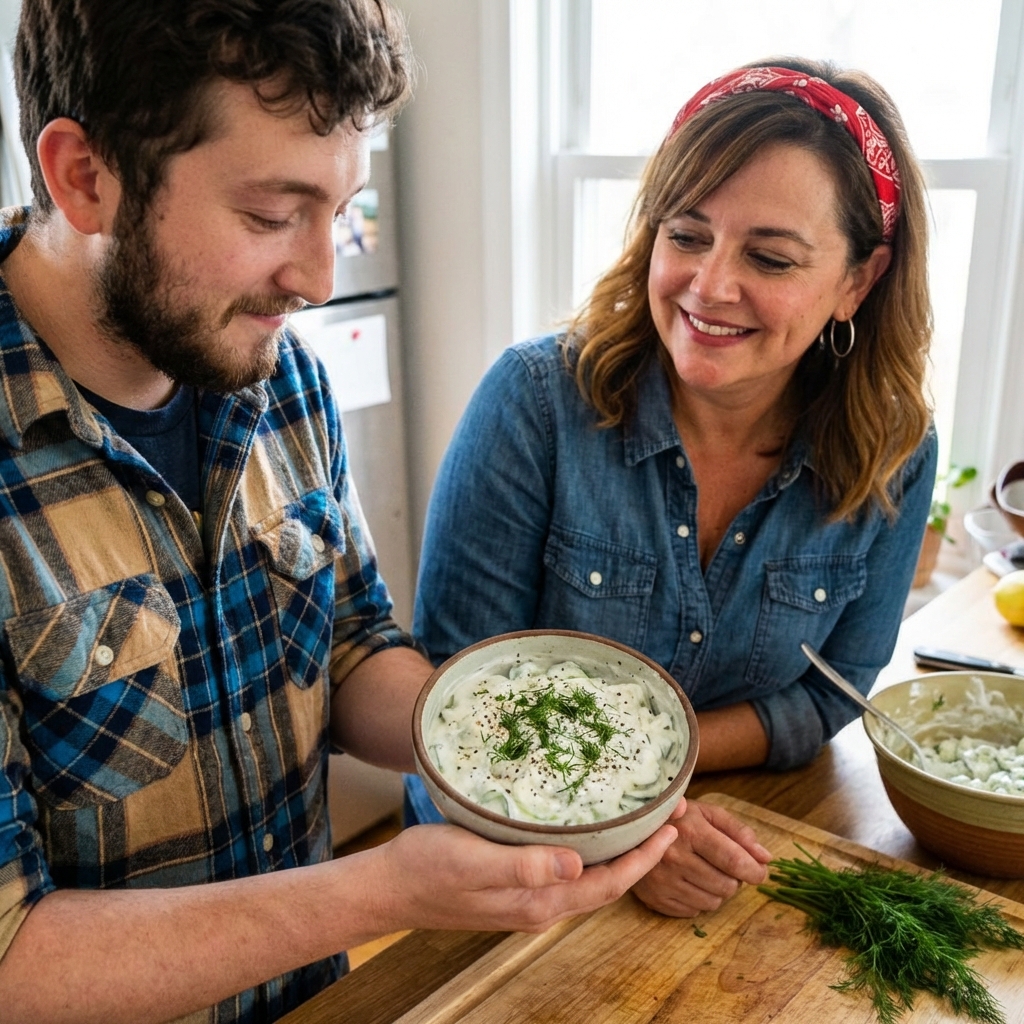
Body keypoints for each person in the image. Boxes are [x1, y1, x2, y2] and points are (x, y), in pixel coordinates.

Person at [0, 4, 689, 1022]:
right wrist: (389, 888)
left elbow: (354, 646)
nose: (320, 277)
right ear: (85, 177)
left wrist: (539, 760)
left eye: (343, 210)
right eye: (272, 216)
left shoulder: (278, 379)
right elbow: (12, 957)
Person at [407, 60, 938, 917]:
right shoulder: (535, 403)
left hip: (729, 854)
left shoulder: (895, 453)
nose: (709, 285)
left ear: (858, 281)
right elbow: (449, 709)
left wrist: (658, 800)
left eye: (769, 256)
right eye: (687, 235)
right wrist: (629, 828)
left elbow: (831, 691)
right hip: (503, 882)